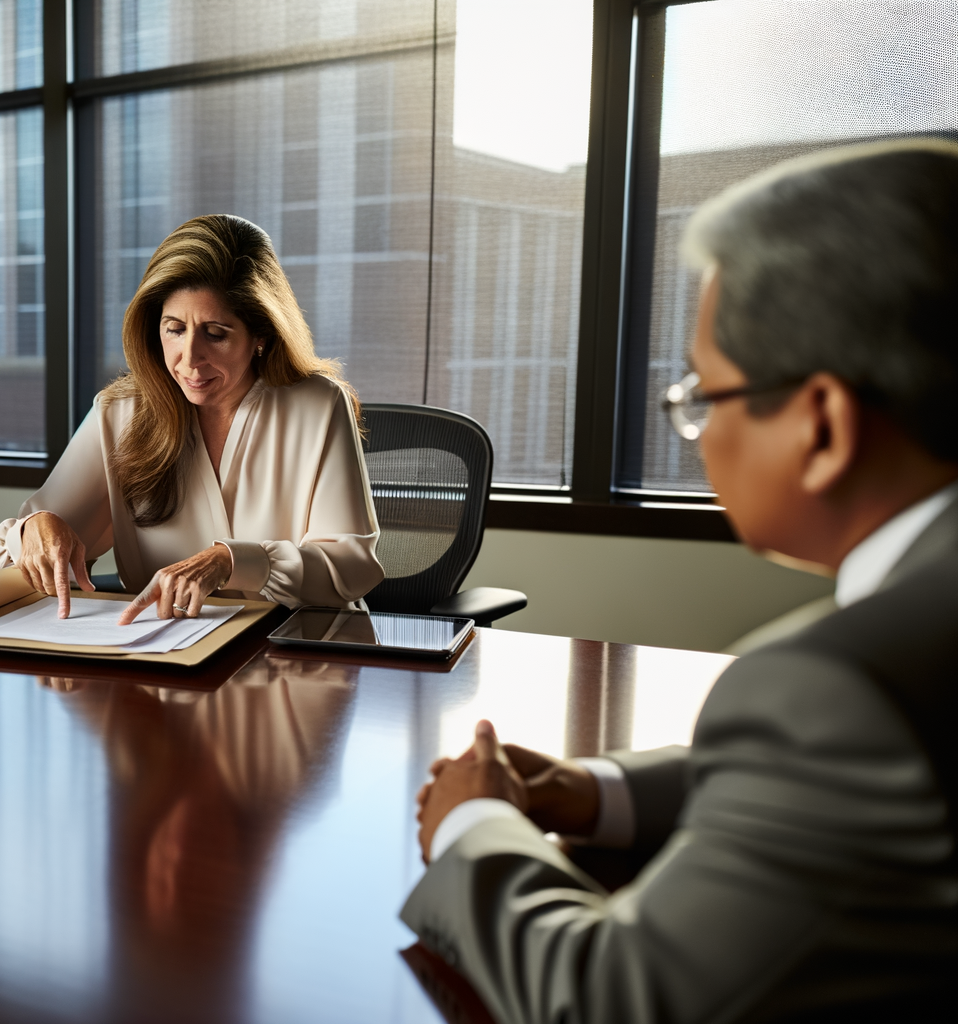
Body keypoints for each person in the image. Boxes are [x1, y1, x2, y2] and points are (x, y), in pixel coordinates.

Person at [404, 139, 958, 1022]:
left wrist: (476, 825)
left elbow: (614, 1000)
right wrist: (595, 792)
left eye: (706, 393)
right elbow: (855, 777)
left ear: (822, 425)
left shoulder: (837, 688)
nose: (693, 431)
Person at [0, 214, 384, 622]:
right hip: (165, 654)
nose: (190, 360)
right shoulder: (118, 414)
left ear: (261, 335)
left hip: (298, 648)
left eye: (216, 334)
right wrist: (35, 528)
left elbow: (351, 566)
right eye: (174, 329)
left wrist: (231, 560)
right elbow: (29, 545)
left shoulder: (318, 404)